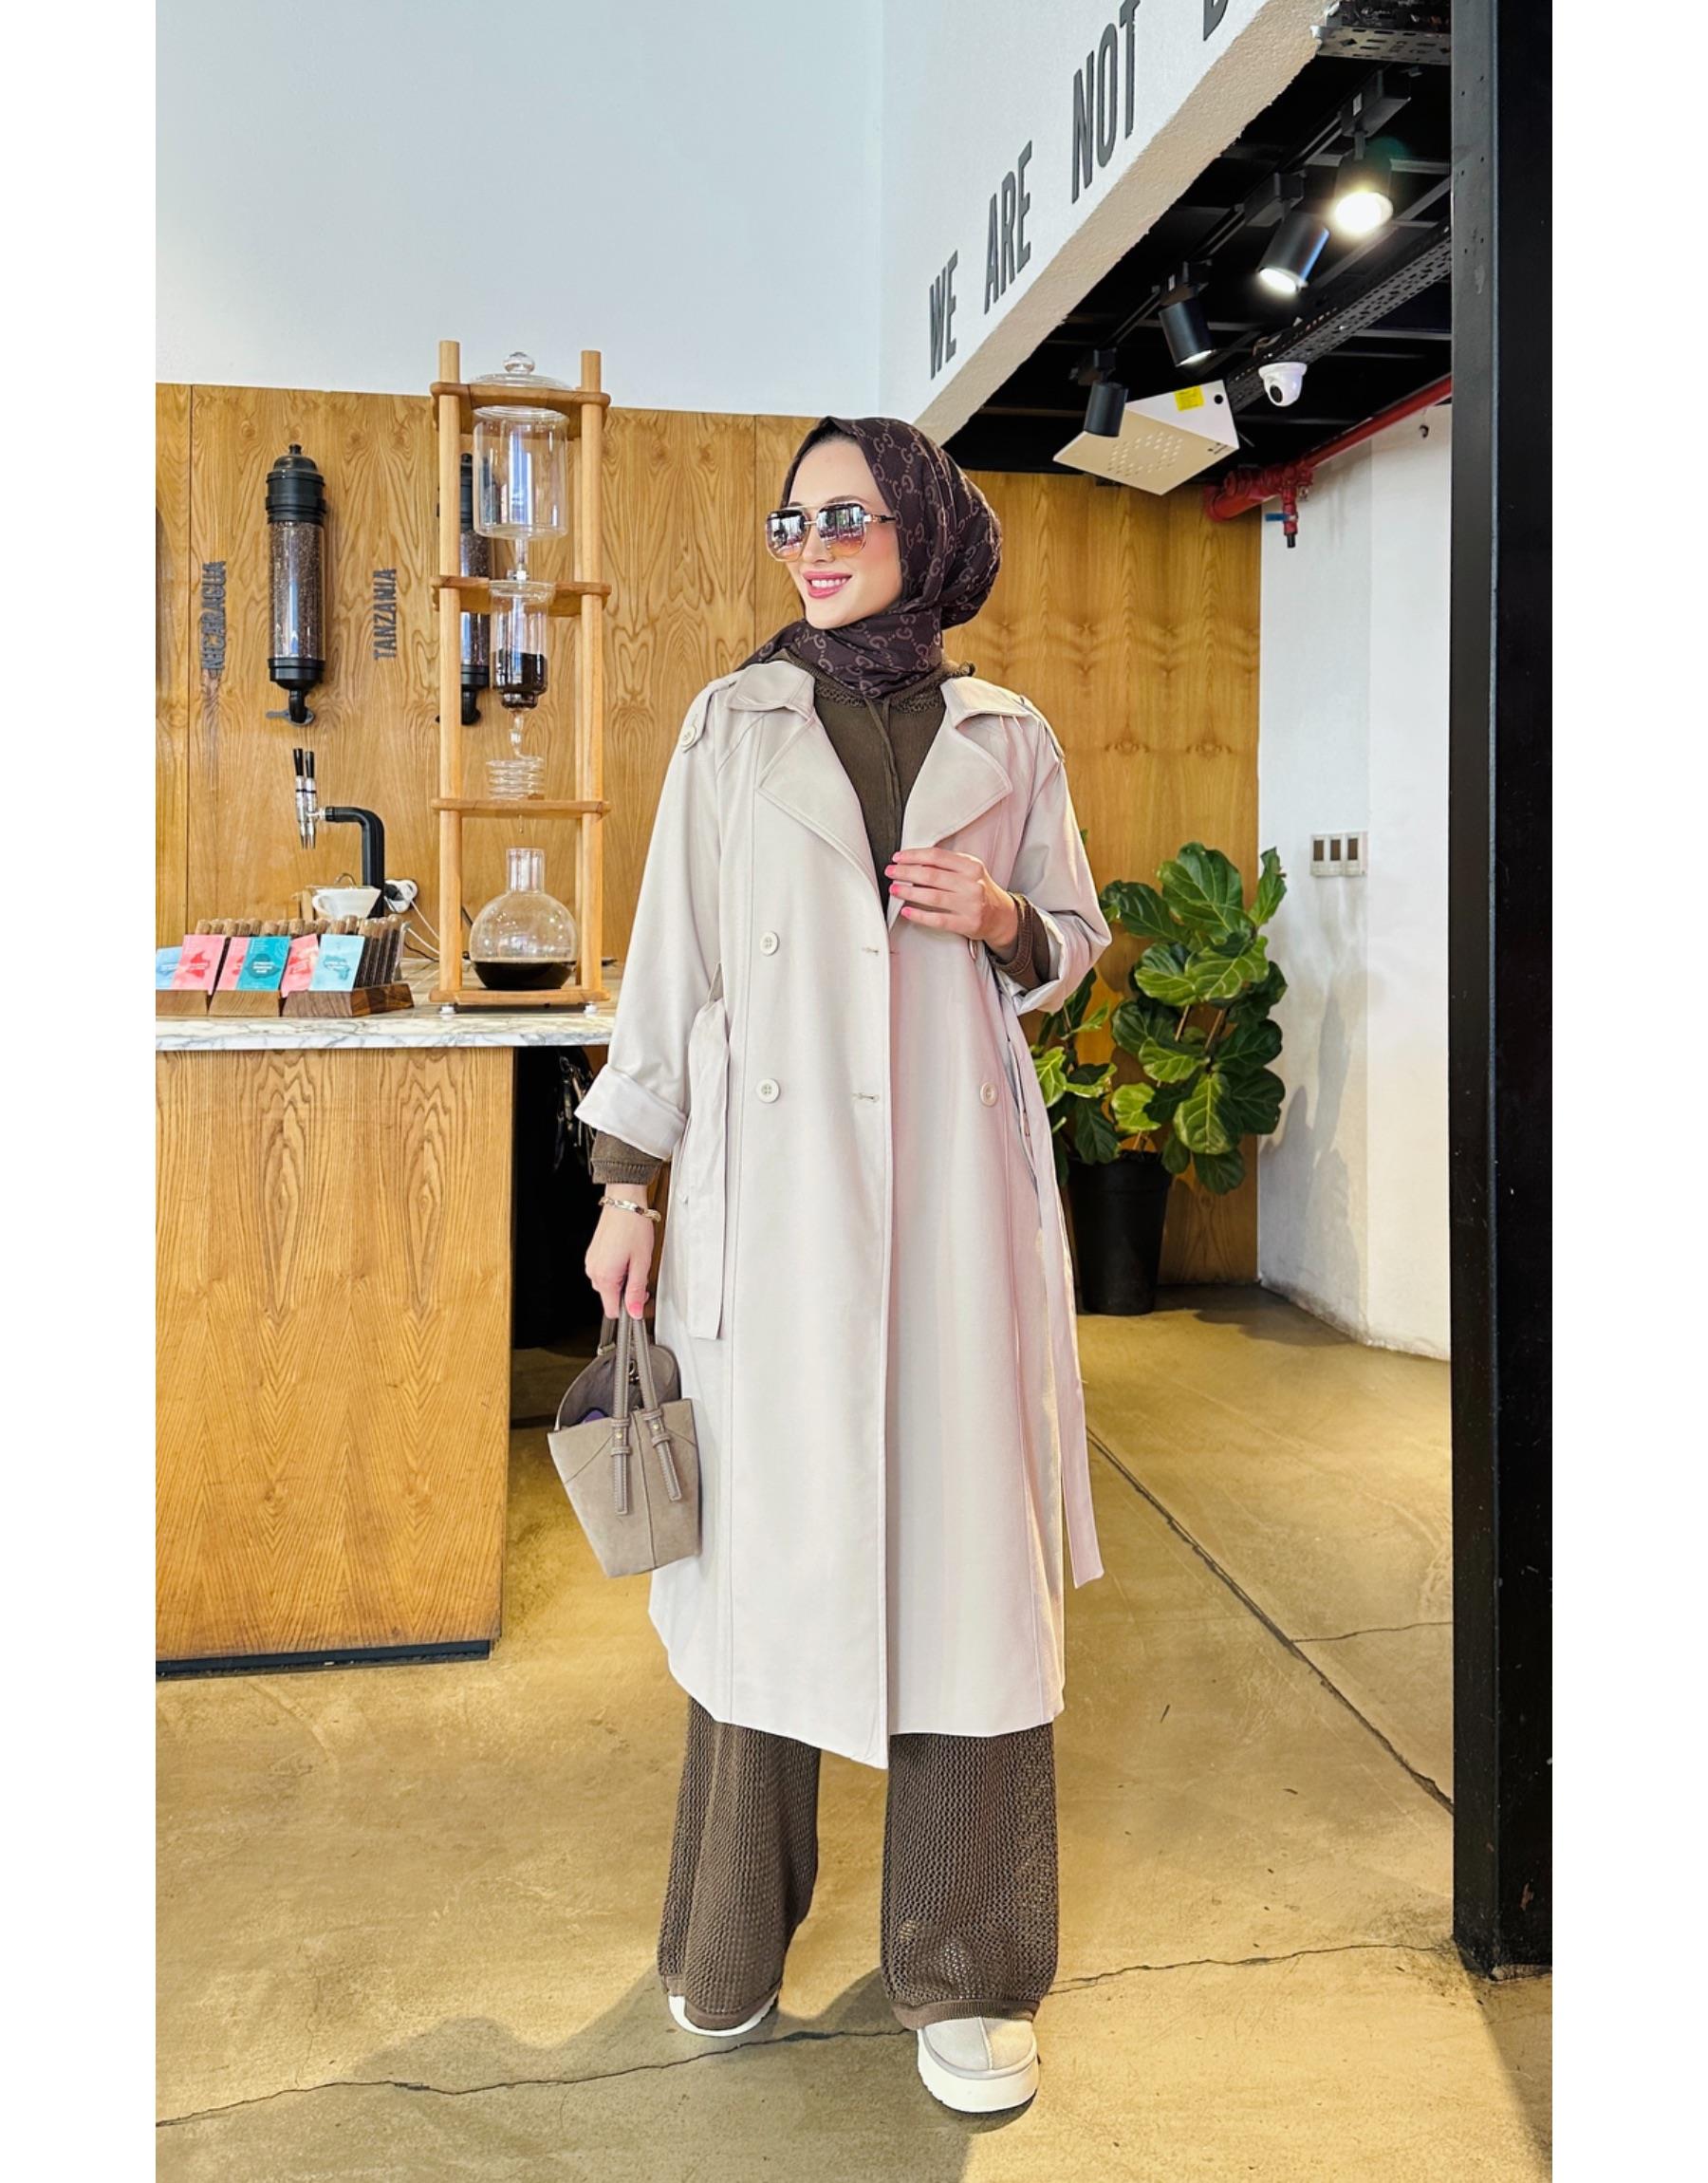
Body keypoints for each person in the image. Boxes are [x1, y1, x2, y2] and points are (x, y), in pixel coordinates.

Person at [572, 415, 1112, 2114]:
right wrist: (630, 1186)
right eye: (792, 521)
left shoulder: (1008, 733)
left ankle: (970, 1971)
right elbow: (670, 969)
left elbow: (1077, 940)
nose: (812, 546)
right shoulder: (730, 725)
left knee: (968, 1577)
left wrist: (1005, 922)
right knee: (764, 1572)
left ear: (925, 529)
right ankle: (728, 1937)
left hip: (955, 1201)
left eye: (846, 517)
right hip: (776, 1210)